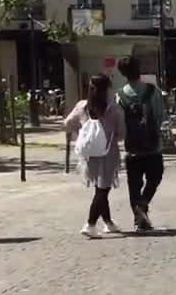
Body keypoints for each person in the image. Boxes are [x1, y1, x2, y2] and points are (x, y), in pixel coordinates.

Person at [65, 74, 126, 238]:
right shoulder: (113, 109)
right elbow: (121, 134)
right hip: (108, 153)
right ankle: (90, 224)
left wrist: (83, 132)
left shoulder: (82, 106)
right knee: (103, 190)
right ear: (107, 89)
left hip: (89, 154)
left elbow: (67, 124)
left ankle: (108, 222)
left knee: (100, 187)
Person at [116, 56, 165, 231]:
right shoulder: (153, 91)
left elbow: (119, 122)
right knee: (155, 177)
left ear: (122, 73)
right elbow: (160, 116)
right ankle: (143, 204)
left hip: (132, 146)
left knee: (134, 184)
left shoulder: (120, 95)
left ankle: (139, 220)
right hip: (153, 145)